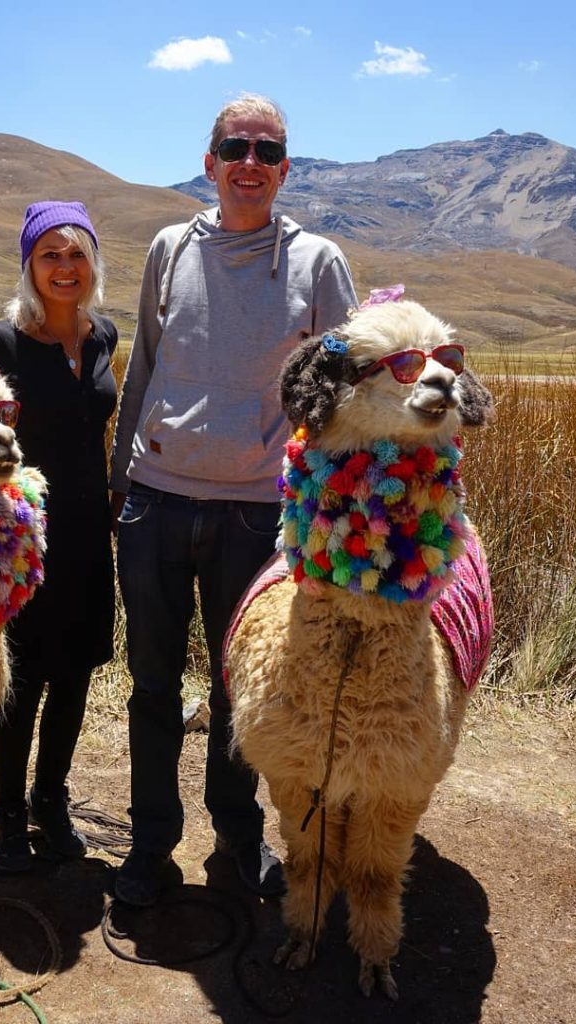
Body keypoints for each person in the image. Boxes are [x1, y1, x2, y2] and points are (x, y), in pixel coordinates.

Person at [109, 95, 358, 906]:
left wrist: (329, 508)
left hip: (258, 510)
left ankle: (237, 838)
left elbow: (343, 392)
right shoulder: (169, 248)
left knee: (237, 689)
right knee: (151, 684)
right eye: (235, 147)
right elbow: (144, 364)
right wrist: (121, 479)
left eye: (267, 150)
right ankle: (150, 846)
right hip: (156, 499)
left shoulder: (318, 263)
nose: (250, 162)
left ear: (284, 169)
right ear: (210, 162)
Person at [0, 201, 117, 872]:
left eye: (76, 253)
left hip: (88, 531)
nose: (65, 266)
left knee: (76, 672)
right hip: (22, 534)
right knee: (23, 677)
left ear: (93, 263)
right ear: (28, 265)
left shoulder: (104, 334)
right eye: (50, 254)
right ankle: (7, 817)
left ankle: (50, 801)